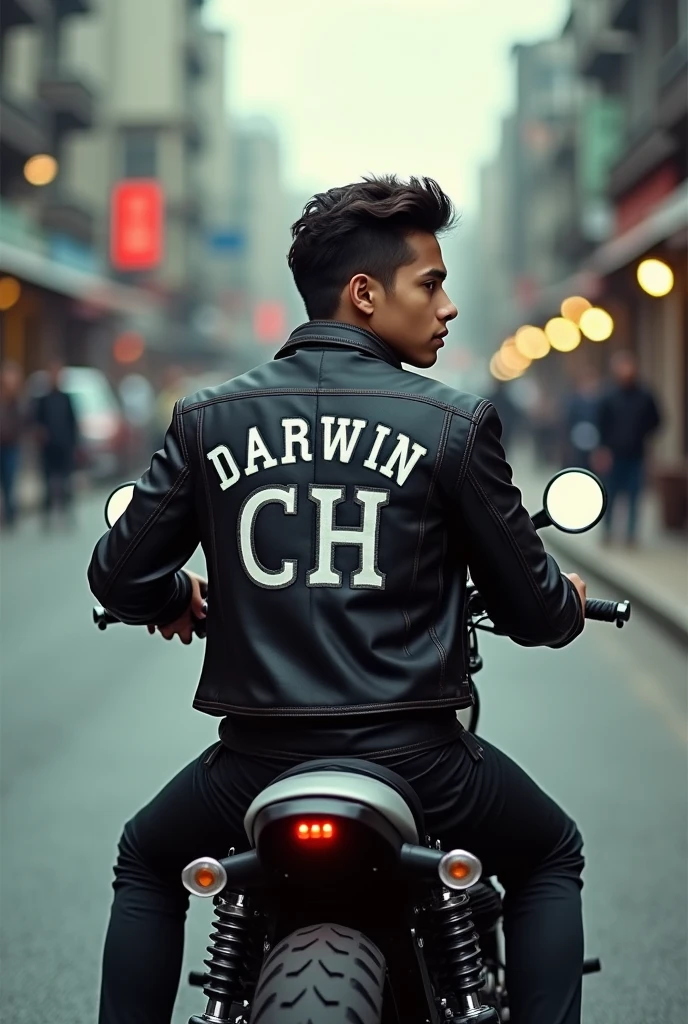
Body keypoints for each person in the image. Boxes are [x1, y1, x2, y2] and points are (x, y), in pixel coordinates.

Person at [88, 175, 588, 1024]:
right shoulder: (454, 424)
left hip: (253, 759)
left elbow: (119, 575)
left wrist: (177, 593)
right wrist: (566, 598)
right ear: (365, 293)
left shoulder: (209, 417)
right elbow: (539, 614)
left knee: (147, 860)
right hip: (420, 762)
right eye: (430, 283)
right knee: (549, 855)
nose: (449, 306)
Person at [595, 350, 661, 546]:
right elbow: (600, 423)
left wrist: (643, 434)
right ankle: (607, 532)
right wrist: (602, 449)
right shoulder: (608, 396)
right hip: (613, 454)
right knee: (610, 495)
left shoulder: (645, 395)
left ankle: (631, 535)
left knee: (634, 496)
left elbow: (657, 420)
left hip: (636, 454)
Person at [32, 359, 79, 528]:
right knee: (47, 483)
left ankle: (67, 515)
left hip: (64, 446)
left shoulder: (67, 398)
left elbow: (73, 423)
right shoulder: (42, 399)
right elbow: (35, 422)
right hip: (48, 448)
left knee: (66, 483)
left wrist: (74, 445)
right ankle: (47, 517)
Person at [0, 360, 26, 529]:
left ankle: (10, 513)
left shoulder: (18, 401)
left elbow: (23, 422)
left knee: (10, 480)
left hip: (11, 446)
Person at [563, 365, 602, 471]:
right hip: (576, 447)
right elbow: (567, 423)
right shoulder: (573, 402)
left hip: (595, 446)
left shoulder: (601, 402)